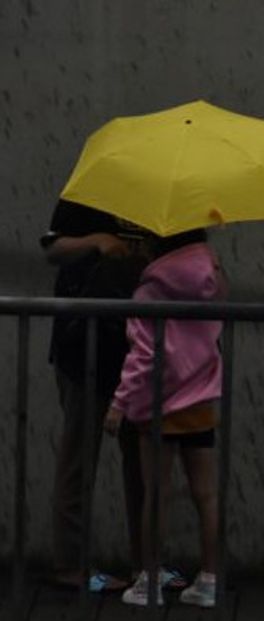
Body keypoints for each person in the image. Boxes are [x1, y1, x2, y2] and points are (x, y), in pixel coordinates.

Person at [103, 228, 226, 608]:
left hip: (159, 406)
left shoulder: (149, 291)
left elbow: (143, 355)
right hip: (201, 400)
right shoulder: (214, 280)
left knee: (155, 494)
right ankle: (209, 580)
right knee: (206, 495)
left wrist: (118, 404)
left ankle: (150, 580)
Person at [41, 200, 146, 593]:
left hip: (139, 349)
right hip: (84, 344)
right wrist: (96, 241)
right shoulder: (89, 188)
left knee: (144, 462)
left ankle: (145, 561)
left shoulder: (163, 191)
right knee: (79, 457)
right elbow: (52, 248)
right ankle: (71, 563)